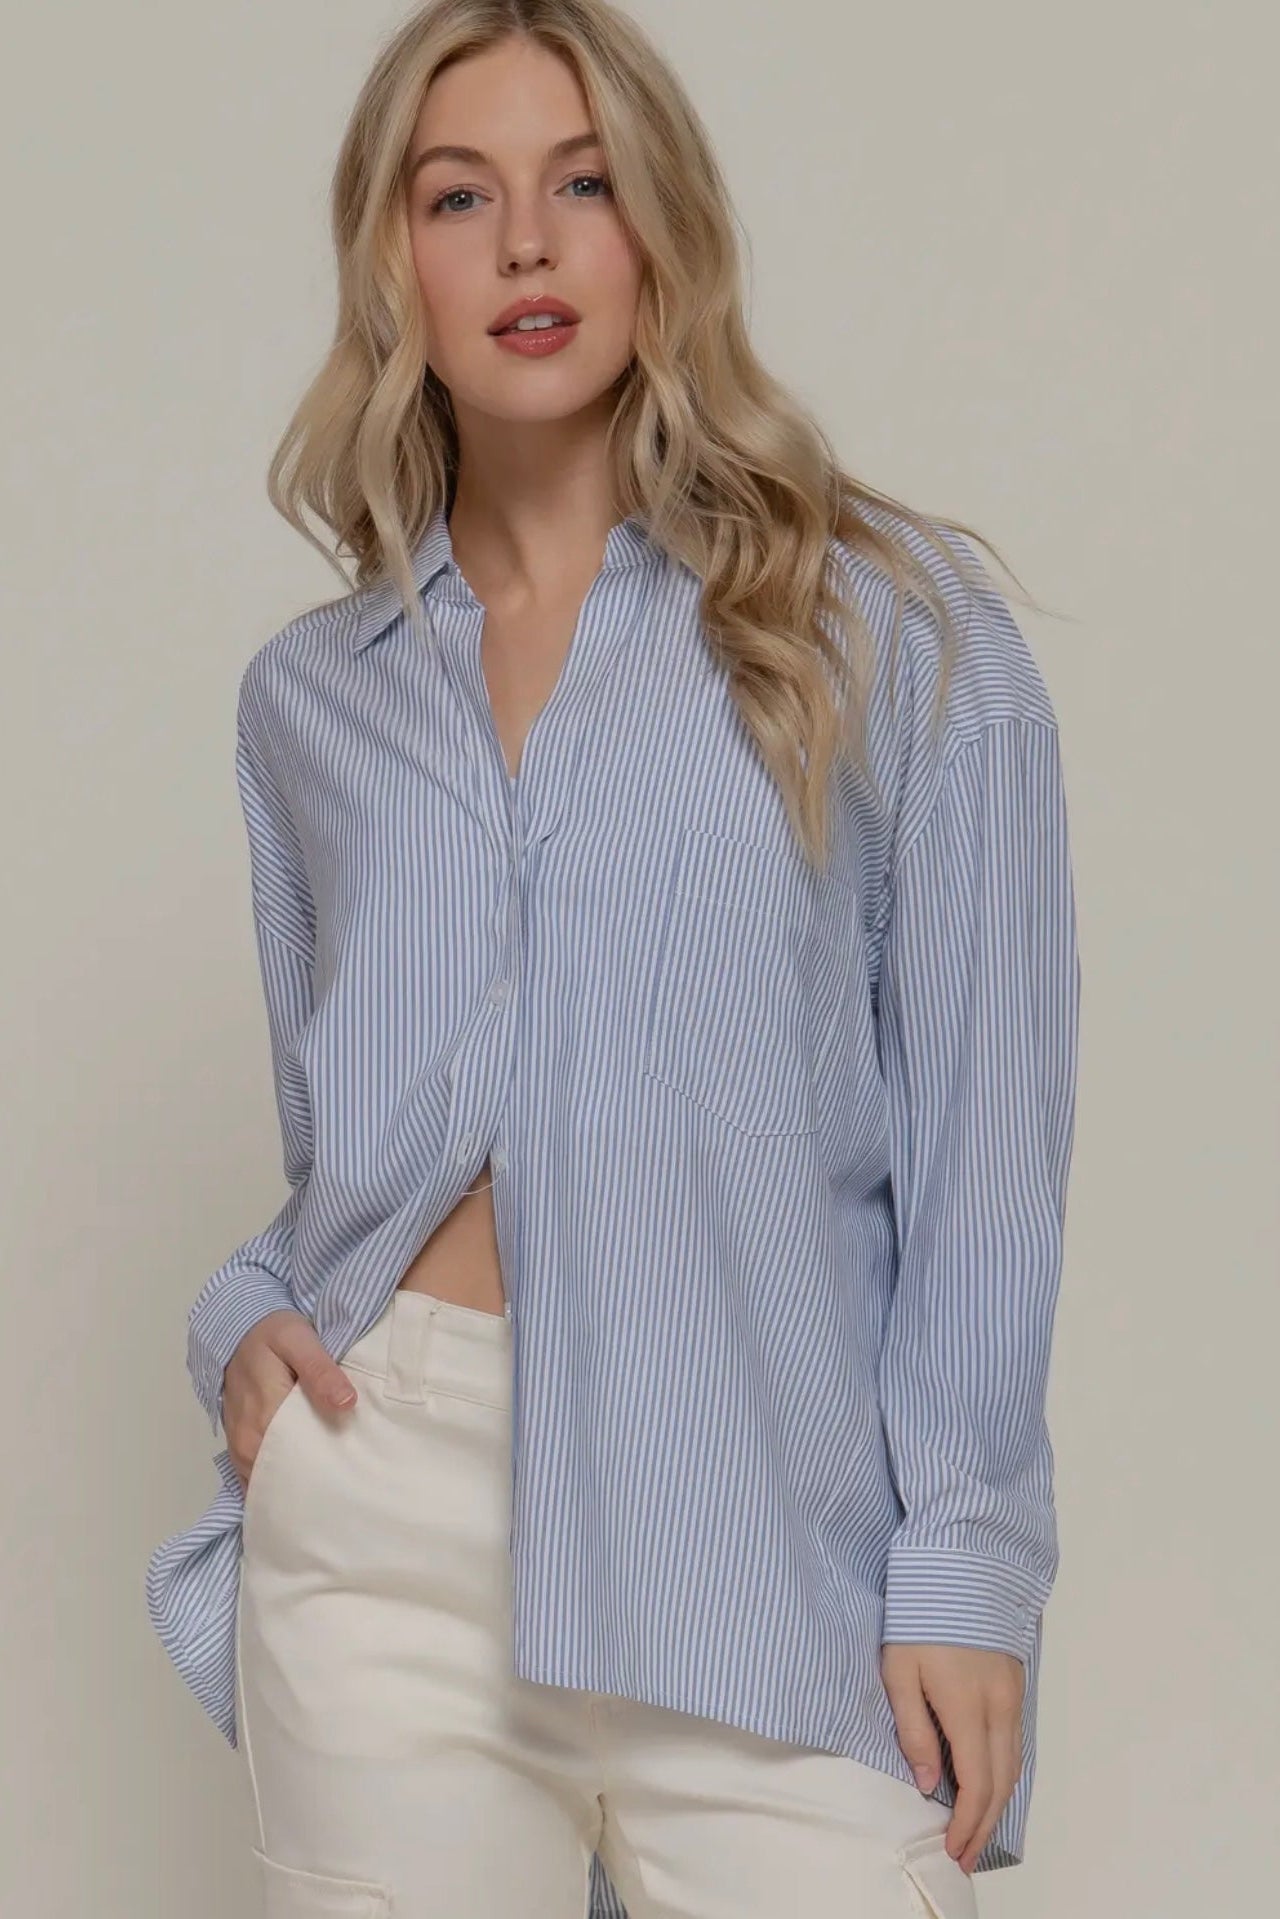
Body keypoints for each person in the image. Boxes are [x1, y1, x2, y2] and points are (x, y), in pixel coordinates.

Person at [144, 4, 1081, 1915]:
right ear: (392, 262)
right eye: (458, 196)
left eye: (582, 184)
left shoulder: (890, 634)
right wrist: (241, 1318)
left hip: (759, 1519)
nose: (525, 243)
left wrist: (969, 1566)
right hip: (385, 1524)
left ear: (665, 228)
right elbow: (353, 1150)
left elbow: (990, 1143)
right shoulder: (313, 705)